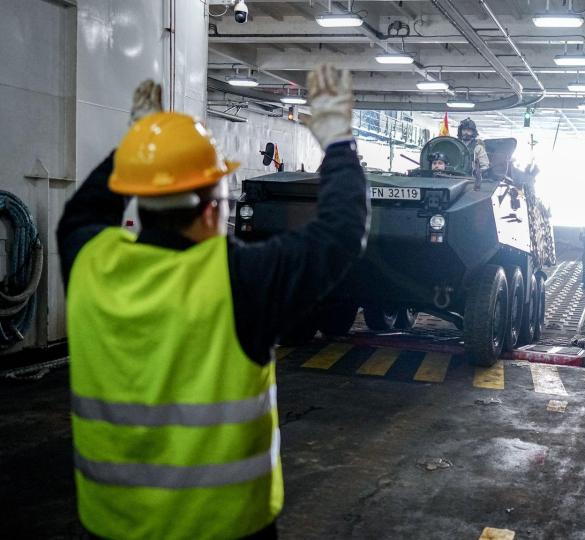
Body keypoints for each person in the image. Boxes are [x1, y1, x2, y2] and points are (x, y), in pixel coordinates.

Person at [56, 65, 367, 540]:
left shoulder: (90, 264)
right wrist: (339, 143)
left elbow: (85, 210)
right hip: (225, 527)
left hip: (113, 525)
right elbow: (341, 233)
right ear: (209, 208)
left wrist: (143, 143)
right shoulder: (238, 280)